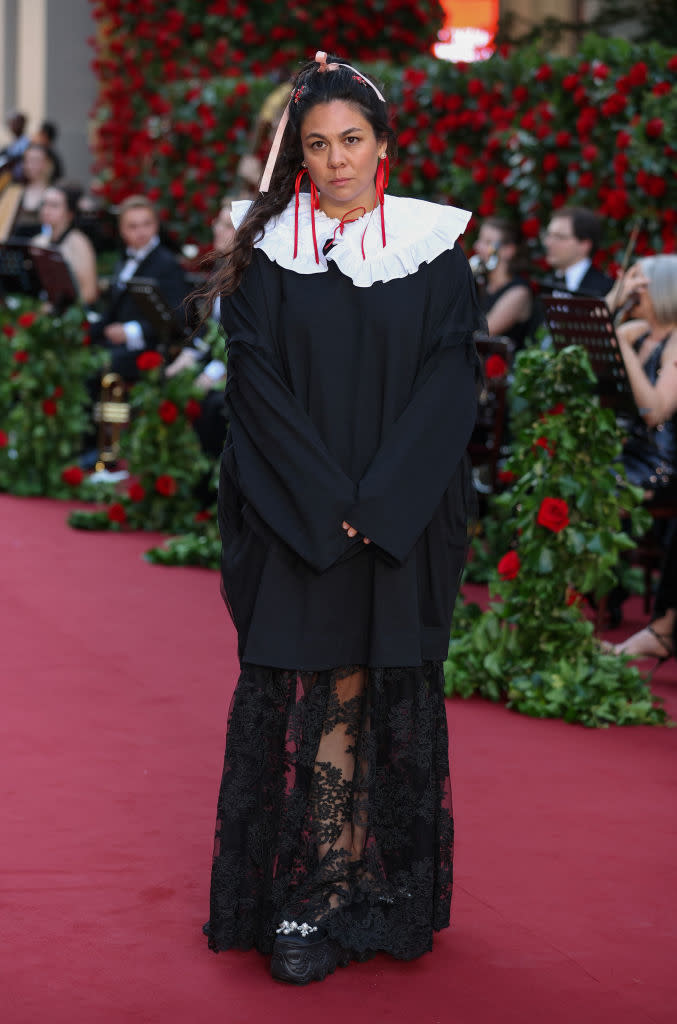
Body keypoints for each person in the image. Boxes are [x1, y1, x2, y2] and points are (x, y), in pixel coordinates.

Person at [202, 52, 482, 985]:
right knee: (326, 688)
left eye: (351, 141)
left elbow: (451, 384)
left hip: (401, 520)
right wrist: (333, 510)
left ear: (382, 147)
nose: (335, 161)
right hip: (301, 520)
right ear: (300, 157)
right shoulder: (269, 259)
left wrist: (382, 506)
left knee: (383, 691)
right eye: (317, 145)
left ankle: (377, 884)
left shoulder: (437, 254)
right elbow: (259, 393)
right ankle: (320, 888)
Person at [91, 194, 190, 380]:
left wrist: (130, 332)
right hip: (119, 344)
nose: (141, 231)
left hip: (150, 347)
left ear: (156, 225)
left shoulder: (167, 263)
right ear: (121, 230)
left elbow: (178, 315)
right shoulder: (124, 259)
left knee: (103, 365)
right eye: (133, 226)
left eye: (147, 224)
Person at [615, 255, 677, 498]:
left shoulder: (674, 343)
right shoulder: (638, 334)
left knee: (590, 492)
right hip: (626, 454)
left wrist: (621, 344)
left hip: (656, 464)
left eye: (640, 286)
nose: (632, 292)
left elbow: (654, 413)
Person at [31, 180, 98, 306]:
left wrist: (61, 309)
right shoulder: (38, 241)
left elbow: (90, 292)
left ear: (70, 213)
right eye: (44, 204)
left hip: (71, 314)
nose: (46, 210)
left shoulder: (79, 243)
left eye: (54, 205)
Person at [472, 216, 533, 349]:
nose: (477, 246)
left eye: (487, 242)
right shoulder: (480, 282)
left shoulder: (519, 291)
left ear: (508, 250)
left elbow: (484, 332)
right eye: (479, 240)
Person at [543, 206, 613, 297]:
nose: (548, 243)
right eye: (549, 235)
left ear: (584, 245)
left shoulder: (606, 289)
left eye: (559, 237)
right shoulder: (545, 284)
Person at [10, 142, 55, 237]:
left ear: (47, 163)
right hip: (15, 245)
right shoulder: (14, 191)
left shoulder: (54, 193)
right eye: (26, 160)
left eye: (35, 160)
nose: (29, 165)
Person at [1, 110, 30, 180]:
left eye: (16, 123)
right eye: (11, 123)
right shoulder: (11, 145)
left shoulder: (28, 143)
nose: (13, 126)